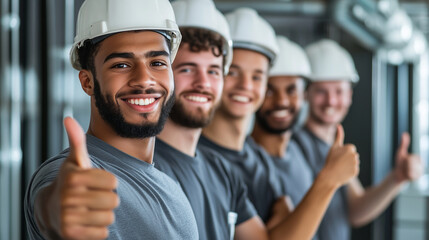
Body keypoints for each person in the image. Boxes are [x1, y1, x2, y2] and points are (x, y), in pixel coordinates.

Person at [24, 0, 199, 239]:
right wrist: (55, 209)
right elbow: (53, 199)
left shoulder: (169, 186)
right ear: (87, 82)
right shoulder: (69, 174)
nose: (144, 79)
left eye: (157, 63)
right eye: (122, 64)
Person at [200, 10, 359, 240]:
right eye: (233, 72)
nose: (246, 85)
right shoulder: (200, 157)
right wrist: (328, 180)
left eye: (257, 76)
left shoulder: (257, 157)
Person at [292, 38, 423, 239]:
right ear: (306, 94)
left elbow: (355, 210)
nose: (331, 101)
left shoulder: (334, 146)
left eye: (339, 91)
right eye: (321, 91)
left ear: (350, 95)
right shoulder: (291, 146)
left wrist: (397, 178)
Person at [251, 36, 362, 240]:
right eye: (269, 90)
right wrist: (329, 179)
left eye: (291, 90)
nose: (282, 101)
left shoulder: (295, 153)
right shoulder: (249, 163)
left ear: (304, 95)